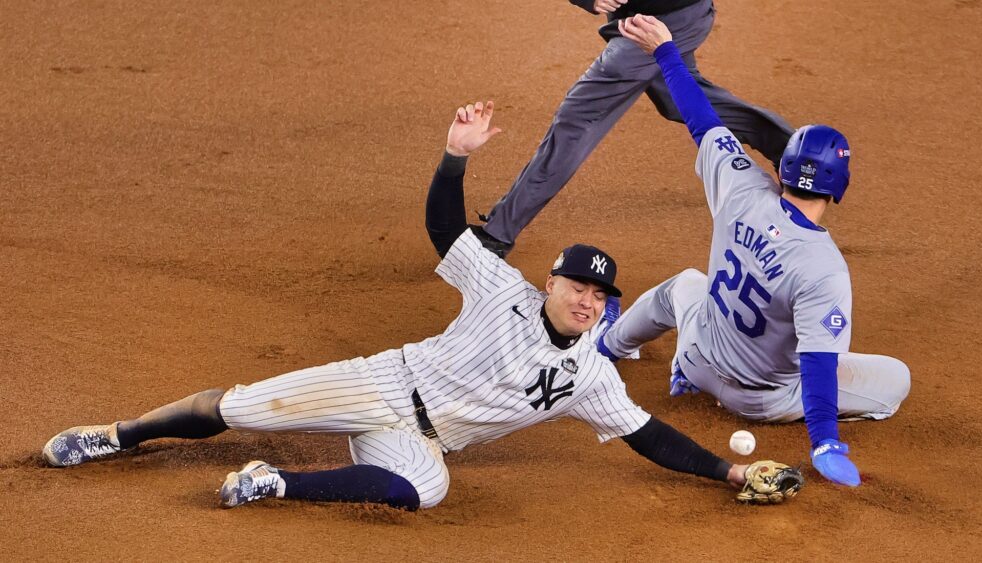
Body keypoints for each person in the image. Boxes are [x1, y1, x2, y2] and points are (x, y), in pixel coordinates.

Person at [42, 101, 779, 511]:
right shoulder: (501, 290)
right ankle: (116, 434)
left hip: (427, 438)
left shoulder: (593, 374)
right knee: (237, 406)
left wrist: (728, 473)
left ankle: (274, 482)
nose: (588, 300)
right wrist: (456, 154)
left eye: (599, 294)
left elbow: (650, 436)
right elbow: (443, 229)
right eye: (577, 286)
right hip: (383, 383)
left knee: (423, 489)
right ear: (550, 283)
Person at [597, 15, 911, 488]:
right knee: (895, 380)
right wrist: (823, 440)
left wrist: (666, 51)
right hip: (760, 401)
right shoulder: (823, 267)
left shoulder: (742, 185)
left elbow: (701, 117)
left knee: (683, 286)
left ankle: (606, 348)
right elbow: (818, 362)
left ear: (782, 168)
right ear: (838, 187)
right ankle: (813, 418)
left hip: (700, 357)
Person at [478, 0, 794, 254]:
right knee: (679, 97)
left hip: (671, 17)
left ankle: (498, 233)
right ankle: (791, 150)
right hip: (647, 17)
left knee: (578, 116)